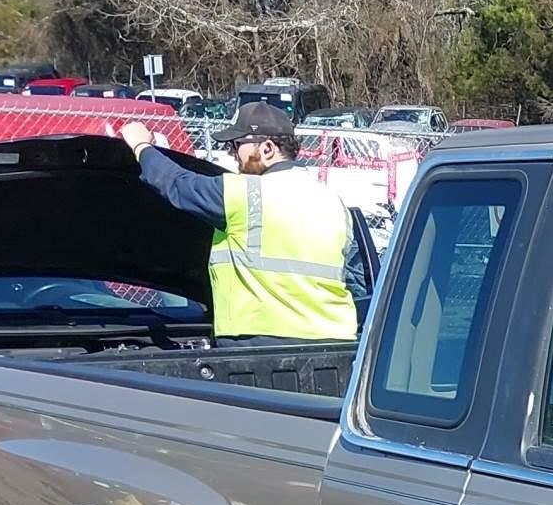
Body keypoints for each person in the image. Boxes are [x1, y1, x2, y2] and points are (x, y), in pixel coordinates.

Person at [119, 102, 367, 340]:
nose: (232, 153)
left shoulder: (243, 193)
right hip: (335, 342)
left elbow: (177, 184)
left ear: (267, 148)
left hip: (260, 343)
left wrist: (142, 146)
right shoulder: (334, 202)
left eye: (237, 145)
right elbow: (357, 282)